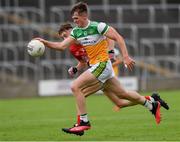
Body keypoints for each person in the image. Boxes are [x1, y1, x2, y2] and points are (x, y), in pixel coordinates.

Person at [35, 2, 169, 136]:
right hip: (100, 67)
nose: (74, 21)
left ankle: (83, 122)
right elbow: (61, 46)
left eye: (76, 18)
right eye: (73, 18)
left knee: (75, 87)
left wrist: (125, 56)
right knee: (122, 96)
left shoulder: (98, 26)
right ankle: (151, 104)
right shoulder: (76, 32)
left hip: (102, 64)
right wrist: (45, 43)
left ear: (84, 16)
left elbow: (117, 37)